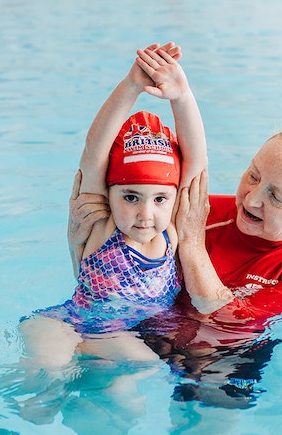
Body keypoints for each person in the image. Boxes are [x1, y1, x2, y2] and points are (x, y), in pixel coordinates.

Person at [18, 41, 208, 368]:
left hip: (120, 341)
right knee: (46, 385)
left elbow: (197, 165)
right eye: (130, 197)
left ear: (175, 197)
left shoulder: (171, 236)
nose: (145, 214)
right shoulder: (102, 229)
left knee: (127, 403)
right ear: (110, 194)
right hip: (71, 327)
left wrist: (182, 96)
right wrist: (132, 84)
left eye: (160, 198)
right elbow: (94, 151)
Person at [71, 123, 282, 329]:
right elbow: (107, 272)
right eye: (253, 175)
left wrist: (193, 243)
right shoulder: (196, 210)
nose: (251, 200)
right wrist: (75, 240)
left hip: (227, 357)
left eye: (276, 196)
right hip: (143, 327)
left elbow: (232, 321)